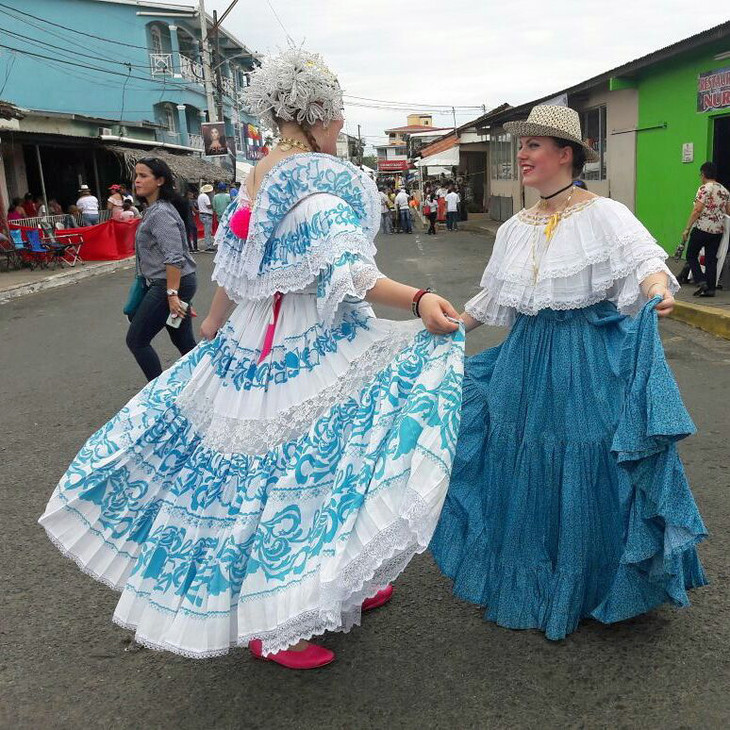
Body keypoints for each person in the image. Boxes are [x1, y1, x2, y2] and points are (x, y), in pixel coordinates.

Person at [39, 48, 463, 671]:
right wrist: (421, 297)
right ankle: (274, 623)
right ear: (315, 112)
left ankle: (335, 583)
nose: (342, 124)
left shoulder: (259, 175)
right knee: (297, 479)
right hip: (304, 342)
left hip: (260, 340)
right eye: (337, 113)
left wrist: (211, 327)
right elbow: (348, 274)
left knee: (305, 472)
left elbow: (235, 268)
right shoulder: (316, 185)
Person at [431, 104, 707, 641]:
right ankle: (535, 577)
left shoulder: (604, 214)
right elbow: (493, 298)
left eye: (535, 145)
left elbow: (643, 259)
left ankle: (590, 583)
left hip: (583, 356)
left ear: (566, 154)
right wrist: (452, 325)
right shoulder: (513, 227)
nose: (524, 155)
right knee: (517, 461)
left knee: (586, 459)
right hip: (524, 358)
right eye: (523, 145)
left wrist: (655, 289)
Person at [118, 157, 198, 380]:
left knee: (137, 340)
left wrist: (173, 295)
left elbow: (174, 256)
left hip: (169, 283)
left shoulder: (160, 213)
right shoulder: (154, 210)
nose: (137, 181)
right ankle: (206, 385)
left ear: (160, 180)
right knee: (183, 340)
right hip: (176, 282)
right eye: (136, 176)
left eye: (144, 176)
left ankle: (157, 393)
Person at [682, 161, 730, 297]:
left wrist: (687, 228)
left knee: (691, 255)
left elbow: (697, 209)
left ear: (703, 174)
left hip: (702, 228)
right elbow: (728, 212)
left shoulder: (704, 188)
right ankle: (710, 289)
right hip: (717, 231)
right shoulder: (724, 191)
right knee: (711, 259)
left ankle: (701, 280)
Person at [197, 183, 215, 251]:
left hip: (202, 214)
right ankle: (209, 246)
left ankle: (209, 245)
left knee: (207, 230)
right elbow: (208, 206)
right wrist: (213, 205)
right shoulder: (205, 197)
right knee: (207, 231)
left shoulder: (200, 196)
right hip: (206, 214)